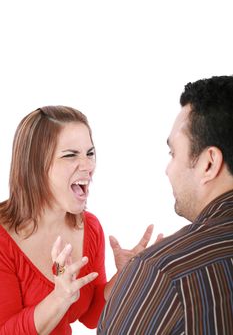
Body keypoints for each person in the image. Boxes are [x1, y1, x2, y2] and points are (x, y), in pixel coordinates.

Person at [0, 106, 157, 334]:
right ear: (34, 165)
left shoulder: (90, 227)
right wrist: (59, 296)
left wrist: (120, 281)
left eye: (90, 153)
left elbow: (91, 316)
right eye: (70, 155)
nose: (89, 166)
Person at [97, 75, 233, 334]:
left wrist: (140, 279)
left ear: (209, 164)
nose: (168, 170)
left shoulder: (162, 273)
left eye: (173, 153)